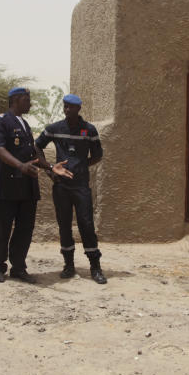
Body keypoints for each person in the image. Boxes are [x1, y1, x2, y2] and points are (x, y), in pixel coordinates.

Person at [0, 87, 69, 283]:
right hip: (7, 186)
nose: (30, 103)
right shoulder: (1, 121)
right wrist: (20, 166)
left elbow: (33, 153)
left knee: (25, 228)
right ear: (15, 100)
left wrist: (50, 167)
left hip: (27, 188)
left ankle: (18, 267)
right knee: (3, 227)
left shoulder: (24, 124)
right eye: (26, 100)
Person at [34, 93, 107, 283]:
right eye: (65, 106)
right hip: (61, 186)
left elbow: (98, 155)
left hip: (81, 186)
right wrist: (50, 169)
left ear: (78, 109)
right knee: (64, 225)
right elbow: (36, 146)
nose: (67, 110)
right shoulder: (55, 128)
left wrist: (82, 165)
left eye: (70, 107)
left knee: (86, 224)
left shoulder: (89, 130)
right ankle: (68, 265)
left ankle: (95, 267)